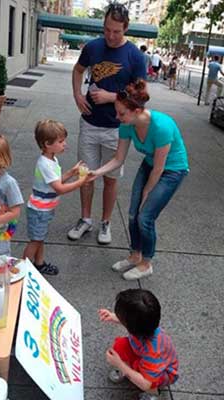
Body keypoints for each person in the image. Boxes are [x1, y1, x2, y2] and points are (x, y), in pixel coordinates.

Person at [91, 79, 188, 280]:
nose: (117, 117)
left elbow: (160, 168)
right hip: (151, 165)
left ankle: (146, 263)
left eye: (121, 113)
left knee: (145, 216)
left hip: (172, 170)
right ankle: (135, 256)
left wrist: (146, 193)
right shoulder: (127, 126)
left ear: (136, 111)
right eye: (117, 112)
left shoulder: (161, 126)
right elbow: (118, 159)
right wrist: (97, 172)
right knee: (133, 214)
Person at [69, 2, 147, 245]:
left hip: (118, 129)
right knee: (85, 175)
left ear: (126, 28)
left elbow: (142, 95)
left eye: (117, 31)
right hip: (90, 124)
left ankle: (105, 222)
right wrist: (77, 95)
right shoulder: (93, 47)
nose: (111, 36)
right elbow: (78, 70)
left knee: (110, 179)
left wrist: (111, 97)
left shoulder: (135, 55)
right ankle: (85, 219)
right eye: (107, 30)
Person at [22, 120, 91, 275]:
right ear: (47, 144)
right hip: (39, 210)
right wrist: (80, 182)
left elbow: (57, 180)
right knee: (35, 240)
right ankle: (22, 269)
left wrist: (72, 173)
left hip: (44, 209)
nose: (64, 144)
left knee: (40, 238)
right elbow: (59, 188)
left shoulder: (52, 159)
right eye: (60, 141)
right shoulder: (45, 164)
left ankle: (39, 264)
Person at [99, 289, 178, 400]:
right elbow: (132, 322)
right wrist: (114, 317)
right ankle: (131, 371)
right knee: (120, 345)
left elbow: (147, 383)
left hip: (162, 373)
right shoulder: (146, 324)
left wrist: (120, 364)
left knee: (149, 384)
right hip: (142, 354)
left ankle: (153, 395)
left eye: (120, 317)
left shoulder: (154, 352)